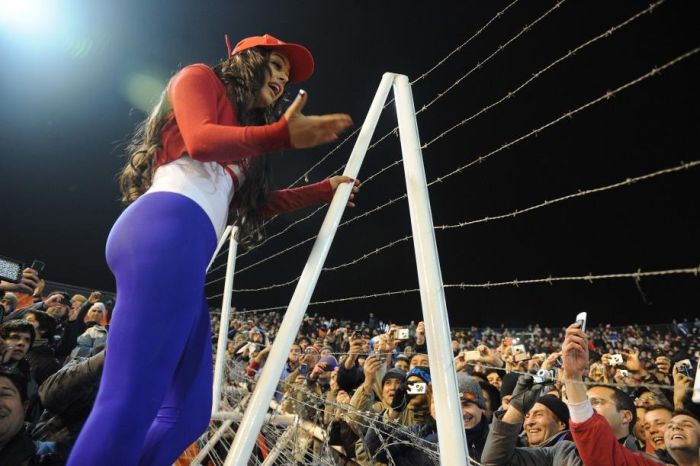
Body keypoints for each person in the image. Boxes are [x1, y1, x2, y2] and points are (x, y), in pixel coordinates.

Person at [68, 33, 356, 466]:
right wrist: (280, 135)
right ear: (244, 61)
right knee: (130, 402)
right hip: (163, 230)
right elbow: (201, 140)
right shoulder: (198, 77)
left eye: (286, 75)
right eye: (274, 65)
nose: (282, 79)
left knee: (188, 416)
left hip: (184, 248)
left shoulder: (247, 145)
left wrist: (323, 191)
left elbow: (255, 205)